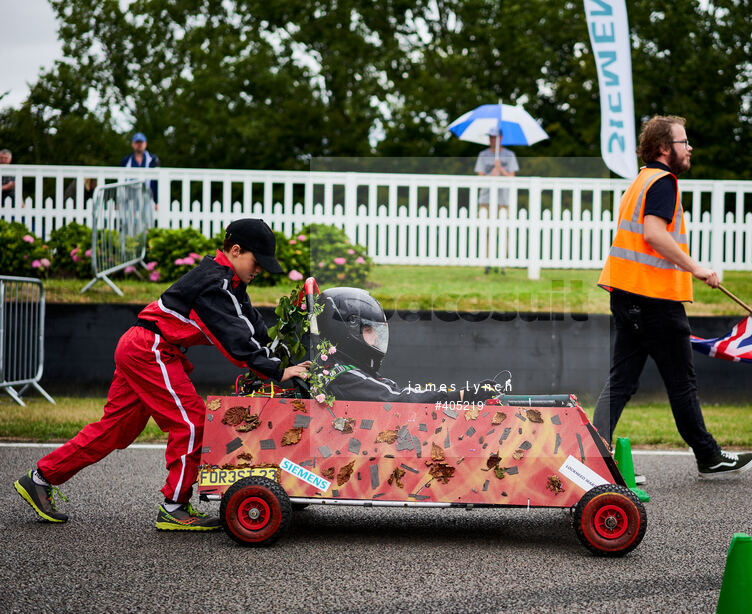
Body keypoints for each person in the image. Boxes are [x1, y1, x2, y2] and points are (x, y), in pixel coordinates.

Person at [14, 218, 310, 530]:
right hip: (150, 350)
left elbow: (250, 324)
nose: (259, 270)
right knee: (193, 423)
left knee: (115, 430)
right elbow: (235, 338)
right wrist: (278, 370)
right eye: (257, 261)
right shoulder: (216, 283)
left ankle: (39, 478)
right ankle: (174, 507)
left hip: (140, 347)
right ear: (235, 250)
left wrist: (281, 354)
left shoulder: (228, 281)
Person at [594, 115, 752, 480]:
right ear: (665, 148)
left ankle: (593, 455)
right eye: (684, 142)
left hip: (627, 296)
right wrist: (694, 267)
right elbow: (653, 234)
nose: (690, 148)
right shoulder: (664, 182)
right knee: (681, 384)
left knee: (621, 381)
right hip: (655, 301)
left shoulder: (640, 180)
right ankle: (709, 455)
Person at [314, 287, 498, 403]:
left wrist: (461, 393)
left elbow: (397, 390)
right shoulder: (343, 376)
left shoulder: (346, 372)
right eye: (369, 331)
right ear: (345, 331)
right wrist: (461, 396)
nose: (377, 338)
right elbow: (398, 399)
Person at [475, 126, 519, 274]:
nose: (492, 140)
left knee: (503, 232)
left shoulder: (509, 155)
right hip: (486, 199)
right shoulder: (483, 155)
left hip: (503, 200)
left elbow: (512, 177)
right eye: (490, 137)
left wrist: (501, 170)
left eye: (494, 137)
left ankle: (502, 263)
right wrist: (492, 172)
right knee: (486, 232)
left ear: (501, 138)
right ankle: (487, 262)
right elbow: (480, 177)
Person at [121, 132, 160, 202]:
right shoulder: (126, 160)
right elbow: (121, 180)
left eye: (141, 142)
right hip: (129, 198)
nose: (139, 145)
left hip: (148, 198)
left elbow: (156, 183)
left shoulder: (153, 159)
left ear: (145, 143)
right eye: (137, 142)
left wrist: (156, 201)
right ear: (132, 144)